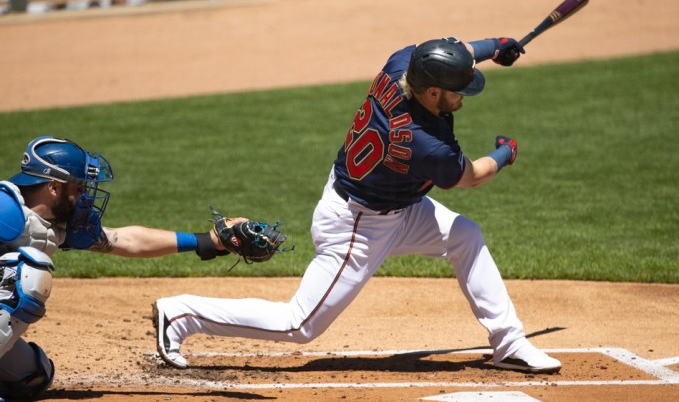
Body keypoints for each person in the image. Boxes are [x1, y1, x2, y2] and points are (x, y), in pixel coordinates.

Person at [153, 36, 562, 374]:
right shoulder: (423, 141)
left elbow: (452, 51)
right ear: (432, 91)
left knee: (465, 235)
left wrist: (495, 46)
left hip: (398, 206)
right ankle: (181, 314)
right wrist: (506, 153)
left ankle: (508, 343)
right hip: (357, 226)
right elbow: (471, 176)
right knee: (299, 324)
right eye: (458, 90)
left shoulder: (403, 64)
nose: (463, 97)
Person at [0, 136, 238, 400]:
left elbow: (126, 240)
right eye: (78, 187)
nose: (84, 196)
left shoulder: (51, 224)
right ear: (54, 187)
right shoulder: (5, 210)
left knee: (33, 377)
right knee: (29, 274)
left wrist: (207, 241)